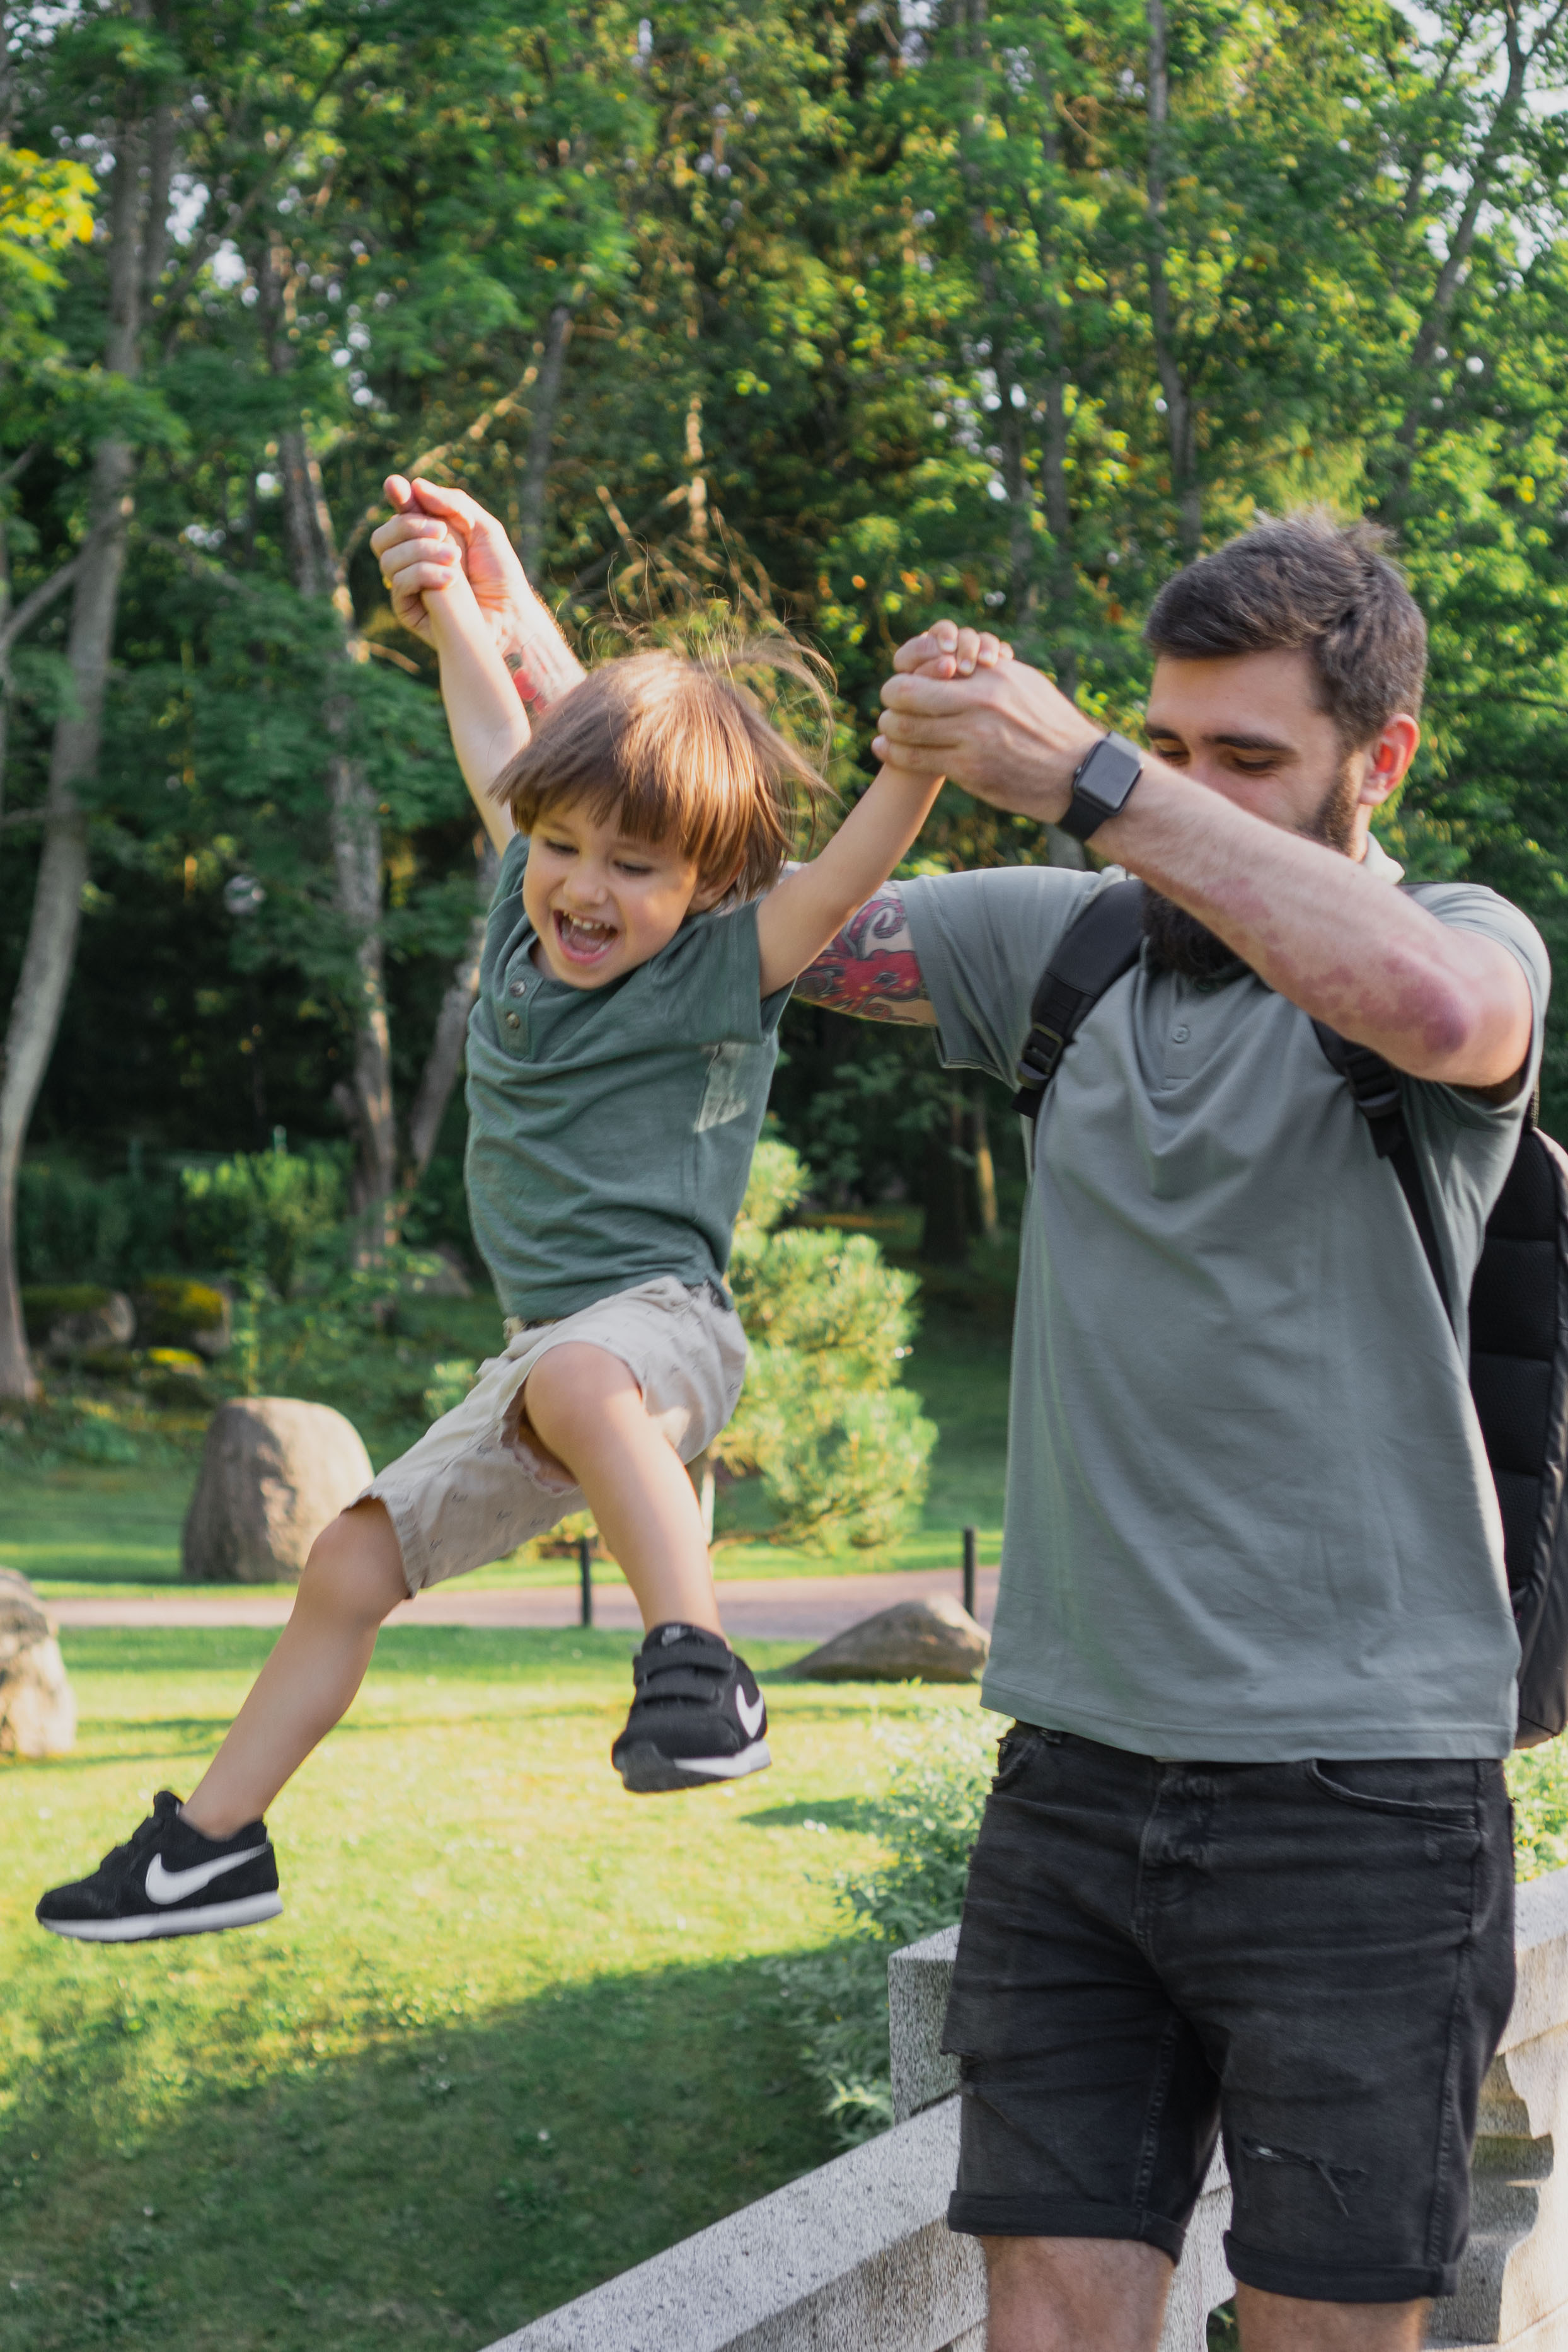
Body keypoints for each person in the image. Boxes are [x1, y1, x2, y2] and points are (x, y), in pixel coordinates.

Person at [364, 493, 1545, 2351]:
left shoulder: (1459, 945)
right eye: (1168, 742)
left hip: (1359, 1798)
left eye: (1251, 757)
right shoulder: (1063, 952)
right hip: (1070, 1775)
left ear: (1377, 760)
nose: (1190, 788)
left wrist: (1081, 771)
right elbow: (705, 913)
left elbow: (1440, 1001)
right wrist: (527, 638)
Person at [35, 477, 1006, 1947]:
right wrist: (445, 610)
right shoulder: (515, 895)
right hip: (541, 1353)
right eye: (563, 846)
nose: (582, 889)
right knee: (348, 1560)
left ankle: (699, 1670)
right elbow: (499, 732)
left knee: (576, 1373)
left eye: (634, 867)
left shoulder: (726, 964)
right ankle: (210, 1849)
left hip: (658, 1336)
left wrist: (919, 752)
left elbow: (860, 862)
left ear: (707, 881)